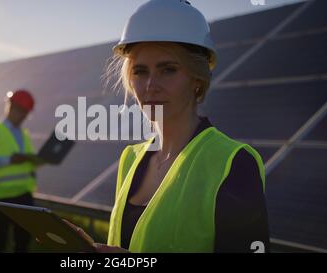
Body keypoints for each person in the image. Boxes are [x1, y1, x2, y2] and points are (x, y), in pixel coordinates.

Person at [67, 0, 270, 253]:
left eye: (168, 70)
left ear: (197, 78)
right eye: (140, 72)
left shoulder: (233, 163)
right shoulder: (130, 158)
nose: (151, 85)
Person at [0, 89, 46, 253]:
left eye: (26, 113)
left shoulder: (24, 134)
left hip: (24, 194)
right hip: (1, 196)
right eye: (20, 111)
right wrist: (8, 160)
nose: (22, 116)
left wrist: (36, 161)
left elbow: (26, 162)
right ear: (10, 106)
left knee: (23, 239)